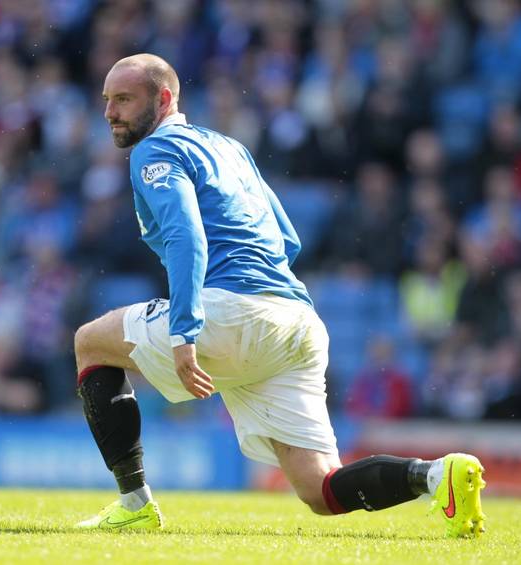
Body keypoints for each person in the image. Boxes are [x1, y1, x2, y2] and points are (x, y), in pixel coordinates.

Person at [74, 53, 486, 537]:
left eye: (123, 99)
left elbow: (187, 236)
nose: (110, 112)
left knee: (89, 341)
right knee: (321, 489)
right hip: (296, 321)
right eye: (106, 100)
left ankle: (134, 503)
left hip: (227, 312)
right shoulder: (230, 148)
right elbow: (287, 238)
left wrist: (185, 330)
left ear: (164, 100)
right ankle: (437, 476)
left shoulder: (155, 151)